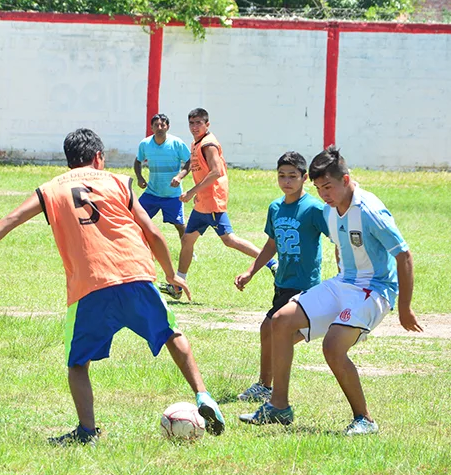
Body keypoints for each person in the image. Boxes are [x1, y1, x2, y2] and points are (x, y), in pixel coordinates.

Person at [0, 128, 225, 445]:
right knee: (172, 334)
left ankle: (87, 432)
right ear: (98, 157)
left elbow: (12, 219)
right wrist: (172, 274)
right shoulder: (118, 182)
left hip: (90, 284)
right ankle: (202, 395)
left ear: (69, 161)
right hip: (137, 274)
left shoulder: (50, 189)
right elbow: (153, 233)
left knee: (78, 363)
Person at [239, 146, 421, 435]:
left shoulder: (369, 210)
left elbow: (404, 255)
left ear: (346, 180)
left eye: (328, 186)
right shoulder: (329, 210)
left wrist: (404, 307)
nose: (324, 193)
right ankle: (279, 406)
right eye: (319, 187)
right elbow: (340, 244)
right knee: (280, 321)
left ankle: (365, 419)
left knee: (333, 347)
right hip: (343, 282)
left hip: (374, 288)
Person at [233, 151, 329, 403]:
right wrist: (251, 271)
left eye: (293, 176)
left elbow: (336, 236)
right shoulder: (275, 208)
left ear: (304, 178)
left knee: (270, 328)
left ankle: (266, 384)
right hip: (283, 282)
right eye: (282, 176)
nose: (287, 181)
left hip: (305, 284)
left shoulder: (314, 209)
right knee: (272, 331)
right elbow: (271, 244)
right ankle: (266, 384)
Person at [164, 107, 272, 299]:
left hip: (212, 202)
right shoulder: (197, 143)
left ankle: (271, 263)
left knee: (229, 240)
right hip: (202, 203)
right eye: (191, 123)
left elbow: (215, 172)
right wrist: (182, 177)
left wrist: (191, 192)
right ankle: (178, 285)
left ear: (207, 124)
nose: (194, 127)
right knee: (187, 240)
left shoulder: (208, 144)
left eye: (198, 123)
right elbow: (196, 164)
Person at [133, 113, 191, 239]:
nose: (159, 128)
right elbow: (138, 161)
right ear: (151, 128)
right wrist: (140, 177)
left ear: (167, 127)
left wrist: (180, 176)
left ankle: (188, 250)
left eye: (162, 125)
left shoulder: (176, 143)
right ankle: (139, 249)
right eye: (156, 125)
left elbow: (189, 161)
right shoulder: (145, 144)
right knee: (136, 219)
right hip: (152, 192)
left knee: (179, 225)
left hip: (172, 194)